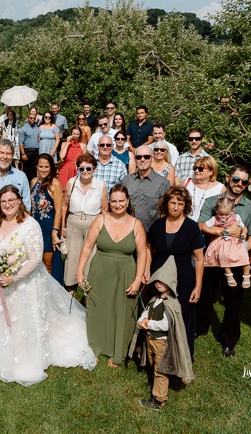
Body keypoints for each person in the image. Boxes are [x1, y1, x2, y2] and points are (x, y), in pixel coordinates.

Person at [0, 185, 96, 386]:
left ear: (19, 201)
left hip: (23, 284)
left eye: (11, 200)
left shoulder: (29, 224)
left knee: (23, 322)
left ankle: (24, 355)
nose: (7, 205)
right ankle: (4, 349)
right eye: (3, 201)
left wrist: (13, 277)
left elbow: (35, 259)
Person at [196, 164, 251, 358]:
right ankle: (200, 327)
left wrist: (239, 252)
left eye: (244, 181)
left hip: (235, 260)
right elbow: (201, 225)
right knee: (205, 294)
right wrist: (223, 232)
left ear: (247, 184)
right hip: (213, 256)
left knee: (234, 301)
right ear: (227, 178)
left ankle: (229, 340)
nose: (239, 184)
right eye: (236, 179)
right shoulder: (212, 202)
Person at [76, 185, 146, 367]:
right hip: (100, 271)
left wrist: (138, 279)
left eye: (121, 200)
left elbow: (142, 254)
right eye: (113, 201)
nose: (117, 204)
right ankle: (95, 346)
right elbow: (87, 247)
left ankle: (118, 352)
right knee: (98, 308)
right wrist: (80, 271)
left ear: (127, 201)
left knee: (122, 311)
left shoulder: (136, 224)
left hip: (126, 272)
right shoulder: (100, 220)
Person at [146, 186, 205, 359]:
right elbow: (148, 248)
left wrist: (198, 286)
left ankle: (180, 357)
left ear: (185, 205)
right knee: (158, 312)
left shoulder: (192, 227)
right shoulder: (158, 224)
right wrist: (146, 271)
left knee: (181, 315)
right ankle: (154, 355)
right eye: (172, 202)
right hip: (159, 276)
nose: (176, 207)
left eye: (180, 203)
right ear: (166, 204)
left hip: (183, 278)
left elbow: (199, 258)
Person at [129, 257, 194, 410]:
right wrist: (142, 320)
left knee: (161, 370)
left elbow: (166, 324)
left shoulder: (171, 304)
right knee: (154, 365)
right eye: (157, 280)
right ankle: (158, 389)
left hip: (161, 343)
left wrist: (149, 324)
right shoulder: (155, 299)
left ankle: (159, 399)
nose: (158, 283)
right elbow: (147, 311)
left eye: (162, 281)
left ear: (170, 283)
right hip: (151, 339)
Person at [61, 153, 108, 290]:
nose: (85, 172)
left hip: (93, 222)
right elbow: (65, 205)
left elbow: (104, 210)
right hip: (74, 221)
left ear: (94, 169)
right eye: (82, 169)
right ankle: (70, 286)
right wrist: (63, 226)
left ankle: (88, 287)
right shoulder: (71, 183)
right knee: (72, 255)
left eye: (89, 168)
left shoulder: (100, 185)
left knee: (91, 256)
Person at [30, 154, 64, 284]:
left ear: (51, 168)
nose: (43, 170)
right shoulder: (33, 182)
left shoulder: (55, 184)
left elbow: (59, 210)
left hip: (48, 229)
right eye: (41, 166)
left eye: (46, 167)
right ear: (36, 167)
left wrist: (55, 232)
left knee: (47, 264)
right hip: (35, 228)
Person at [203, 197, 251, 287]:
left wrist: (244, 233)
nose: (223, 217)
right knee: (223, 255)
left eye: (226, 214)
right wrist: (215, 232)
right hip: (221, 240)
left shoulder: (236, 217)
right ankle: (229, 275)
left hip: (235, 241)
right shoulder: (214, 219)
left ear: (232, 211)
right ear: (217, 211)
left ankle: (246, 274)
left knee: (243, 254)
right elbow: (204, 227)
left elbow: (244, 227)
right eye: (221, 214)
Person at [122, 146, 171, 233]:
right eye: (139, 157)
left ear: (152, 158)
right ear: (135, 159)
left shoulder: (163, 183)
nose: (142, 159)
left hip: (152, 234)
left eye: (146, 157)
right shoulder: (126, 180)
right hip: (128, 233)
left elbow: (166, 212)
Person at [182, 155, 225, 221]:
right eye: (195, 168)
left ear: (211, 172)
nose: (196, 171)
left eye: (200, 169)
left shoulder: (220, 189)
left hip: (207, 227)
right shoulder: (186, 183)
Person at [58, 125, 87, 190]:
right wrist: (68, 143)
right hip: (66, 170)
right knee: (63, 191)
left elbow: (85, 161)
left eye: (77, 134)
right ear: (71, 134)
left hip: (77, 170)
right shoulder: (64, 144)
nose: (75, 136)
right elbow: (61, 156)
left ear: (80, 135)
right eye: (74, 133)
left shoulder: (83, 146)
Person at [18, 110, 41, 180]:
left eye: (34, 118)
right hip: (27, 151)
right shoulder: (23, 129)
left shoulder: (37, 128)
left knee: (34, 170)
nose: (32, 120)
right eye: (31, 118)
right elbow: (20, 143)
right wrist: (23, 154)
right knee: (26, 170)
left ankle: (33, 185)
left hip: (36, 152)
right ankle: (26, 186)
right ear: (28, 118)